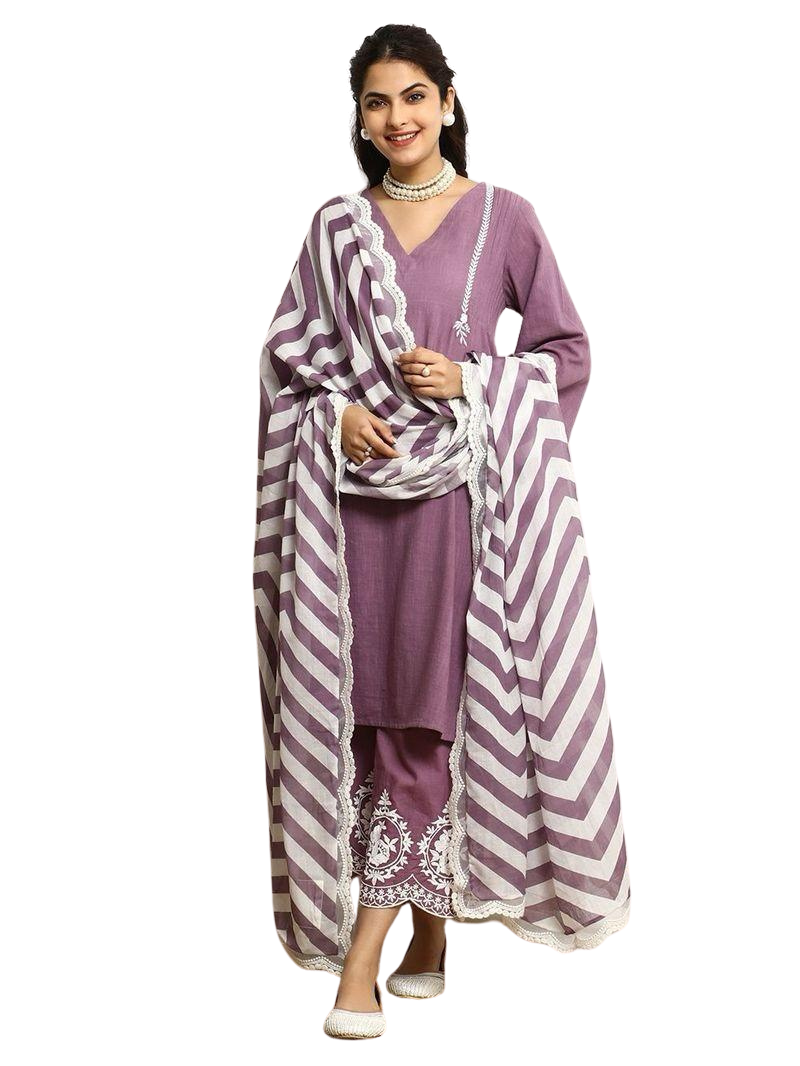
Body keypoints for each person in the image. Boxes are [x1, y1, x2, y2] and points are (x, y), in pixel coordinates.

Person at [253, 24, 631, 1041]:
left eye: (414, 95)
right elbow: (287, 360)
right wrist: (333, 411)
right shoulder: (337, 228)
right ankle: (428, 938)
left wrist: (473, 381)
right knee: (367, 717)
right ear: (359, 117)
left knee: (423, 721)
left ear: (449, 101)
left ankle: (361, 965)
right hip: (346, 516)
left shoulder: (505, 217)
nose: (397, 118)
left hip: (454, 511)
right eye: (377, 102)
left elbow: (564, 351)